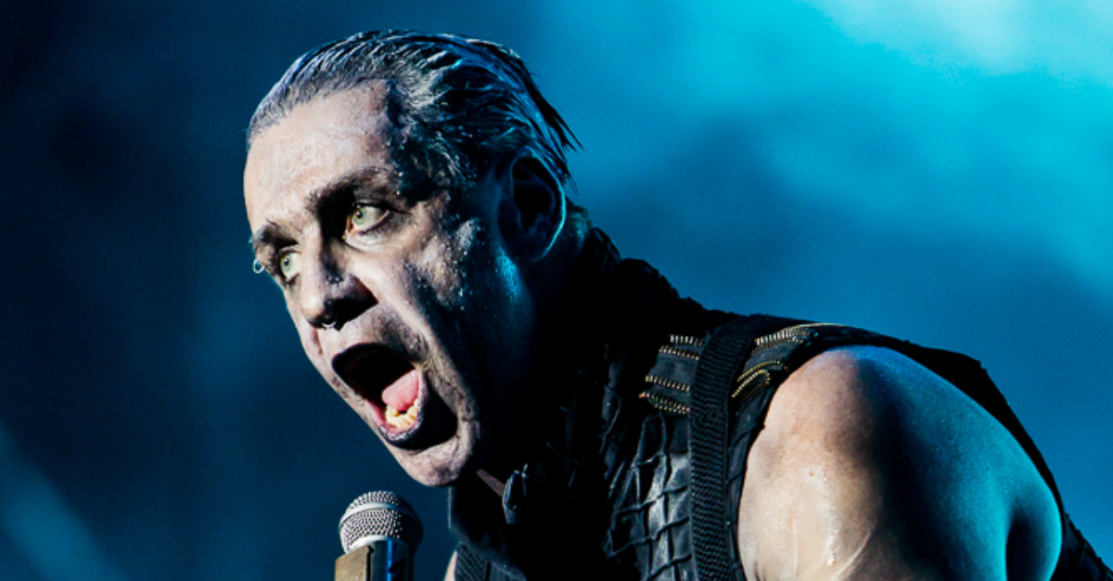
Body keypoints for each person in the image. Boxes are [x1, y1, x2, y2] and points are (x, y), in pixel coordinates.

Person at [243, 30, 1109, 581]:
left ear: (530, 209)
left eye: (365, 215)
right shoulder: (488, 563)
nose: (318, 293)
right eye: (282, 260)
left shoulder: (816, 437)